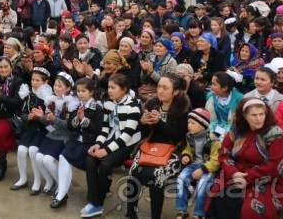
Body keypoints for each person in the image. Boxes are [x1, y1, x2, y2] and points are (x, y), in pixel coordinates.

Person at [208, 97, 283, 218]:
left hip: (271, 180)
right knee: (220, 196)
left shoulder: (276, 133)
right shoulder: (237, 128)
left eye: (261, 114)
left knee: (250, 208)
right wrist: (233, 173)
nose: (259, 119)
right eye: (254, 115)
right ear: (244, 115)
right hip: (238, 174)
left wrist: (247, 178)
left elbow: (276, 166)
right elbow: (224, 152)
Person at [124, 75, 190, 219]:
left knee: (156, 177)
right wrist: (143, 122)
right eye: (159, 86)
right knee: (133, 173)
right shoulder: (152, 105)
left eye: (165, 88)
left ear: (175, 91)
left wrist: (159, 123)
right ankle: (130, 214)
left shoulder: (182, 109)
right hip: (151, 147)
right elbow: (145, 135)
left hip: (173, 150)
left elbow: (179, 135)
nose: (160, 91)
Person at [81, 73, 143, 219]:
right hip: (113, 138)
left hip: (129, 144)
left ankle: (98, 203)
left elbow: (127, 135)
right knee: (90, 158)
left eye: (113, 88)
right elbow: (105, 129)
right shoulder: (108, 103)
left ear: (124, 89)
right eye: (109, 87)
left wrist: (106, 150)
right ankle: (94, 200)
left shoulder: (133, 107)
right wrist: (98, 144)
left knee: (105, 164)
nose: (109, 90)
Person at [52, 77, 102, 210]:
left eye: (83, 91)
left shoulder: (97, 108)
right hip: (76, 140)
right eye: (78, 91)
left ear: (91, 92)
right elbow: (70, 126)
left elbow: (98, 129)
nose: (80, 94)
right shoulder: (76, 105)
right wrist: (76, 119)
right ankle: (62, 193)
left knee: (67, 157)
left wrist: (83, 119)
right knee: (63, 156)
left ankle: (62, 193)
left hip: (89, 143)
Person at [32, 72, 77, 196]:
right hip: (52, 134)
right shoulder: (51, 100)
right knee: (38, 158)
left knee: (47, 160)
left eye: (60, 86)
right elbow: (49, 126)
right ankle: (50, 181)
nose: (56, 88)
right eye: (55, 85)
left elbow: (69, 127)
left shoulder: (71, 104)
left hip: (64, 136)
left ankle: (61, 186)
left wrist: (54, 119)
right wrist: (42, 118)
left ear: (68, 88)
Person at [175, 107, 220, 219]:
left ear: (202, 125)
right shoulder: (189, 136)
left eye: (193, 123)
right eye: (188, 122)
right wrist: (186, 155)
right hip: (193, 165)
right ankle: (182, 210)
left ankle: (199, 214)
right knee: (181, 179)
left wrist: (202, 170)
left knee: (202, 186)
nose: (189, 125)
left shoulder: (214, 140)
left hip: (208, 168)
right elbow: (188, 149)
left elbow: (216, 161)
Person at [206, 71, 244, 137]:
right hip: (214, 128)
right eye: (211, 83)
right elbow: (209, 120)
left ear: (224, 88)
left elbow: (241, 122)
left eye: (214, 84)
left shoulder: (239, 99)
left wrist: (224, 132)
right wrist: (220, 131)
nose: (211, 87)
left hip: (234, 130)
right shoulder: (210, 96)